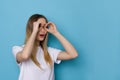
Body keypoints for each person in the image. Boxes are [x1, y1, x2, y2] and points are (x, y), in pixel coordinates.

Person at [12, 14, 78, 80]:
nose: (43, 30)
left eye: (45, 27)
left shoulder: (49, 52)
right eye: (39, 26)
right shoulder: (18, 49)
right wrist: (34, 31)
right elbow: (25, 56)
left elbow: (73, 54)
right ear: (32, 27)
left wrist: (56, 33)